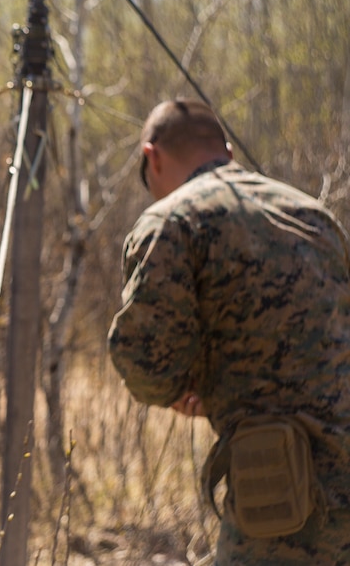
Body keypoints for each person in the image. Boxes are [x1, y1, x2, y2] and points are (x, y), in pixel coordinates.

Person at [108, 98, 350, 563]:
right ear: (229, 153)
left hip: (285, 497)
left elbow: (148, 367)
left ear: (151, 156)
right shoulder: (314, 216)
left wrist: (184, 388)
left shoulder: (171, 222)